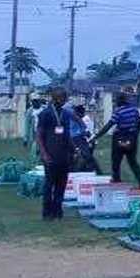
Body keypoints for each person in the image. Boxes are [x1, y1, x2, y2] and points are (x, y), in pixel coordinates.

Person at [92, 93, 140, 189]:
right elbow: (139, 124)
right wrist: (134, 136)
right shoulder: (134, 110)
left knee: (116, 161)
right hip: (131, 139)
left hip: (119, 139)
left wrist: (96, 136)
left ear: (118, 101)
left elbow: (109, 125)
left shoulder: (118, 112)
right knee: (132, 161)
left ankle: (117, 182)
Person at [36, 88, 75, 219]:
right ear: (56, 98)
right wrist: (44, 154)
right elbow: (39, 135)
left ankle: (57, 210)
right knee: (49, 184)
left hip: (64, 155)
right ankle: (47, 212)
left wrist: (73, 150)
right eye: (63, 97)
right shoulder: (45, 114)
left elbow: (66, 134)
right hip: (50, 154)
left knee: (61, 184)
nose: (65, 100)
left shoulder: (65, 114)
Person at [71, 104, 103, 175]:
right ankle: (94, 171)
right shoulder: (77, 118)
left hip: (82, 139)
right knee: (86, 156)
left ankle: (95, 171)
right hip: (78, 139)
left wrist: (90, 138)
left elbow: (86, 130)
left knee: (86, 156)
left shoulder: (84, 119)